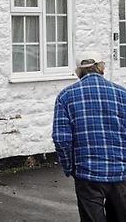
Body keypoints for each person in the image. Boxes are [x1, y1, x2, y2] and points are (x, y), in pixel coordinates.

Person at [52, 52, 126, 222]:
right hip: (120, 173)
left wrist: (71, 168)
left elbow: (61, 139)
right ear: (101, 67)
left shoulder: (66, 96)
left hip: (87, 174)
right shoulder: (122, 94)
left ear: (78, 71)